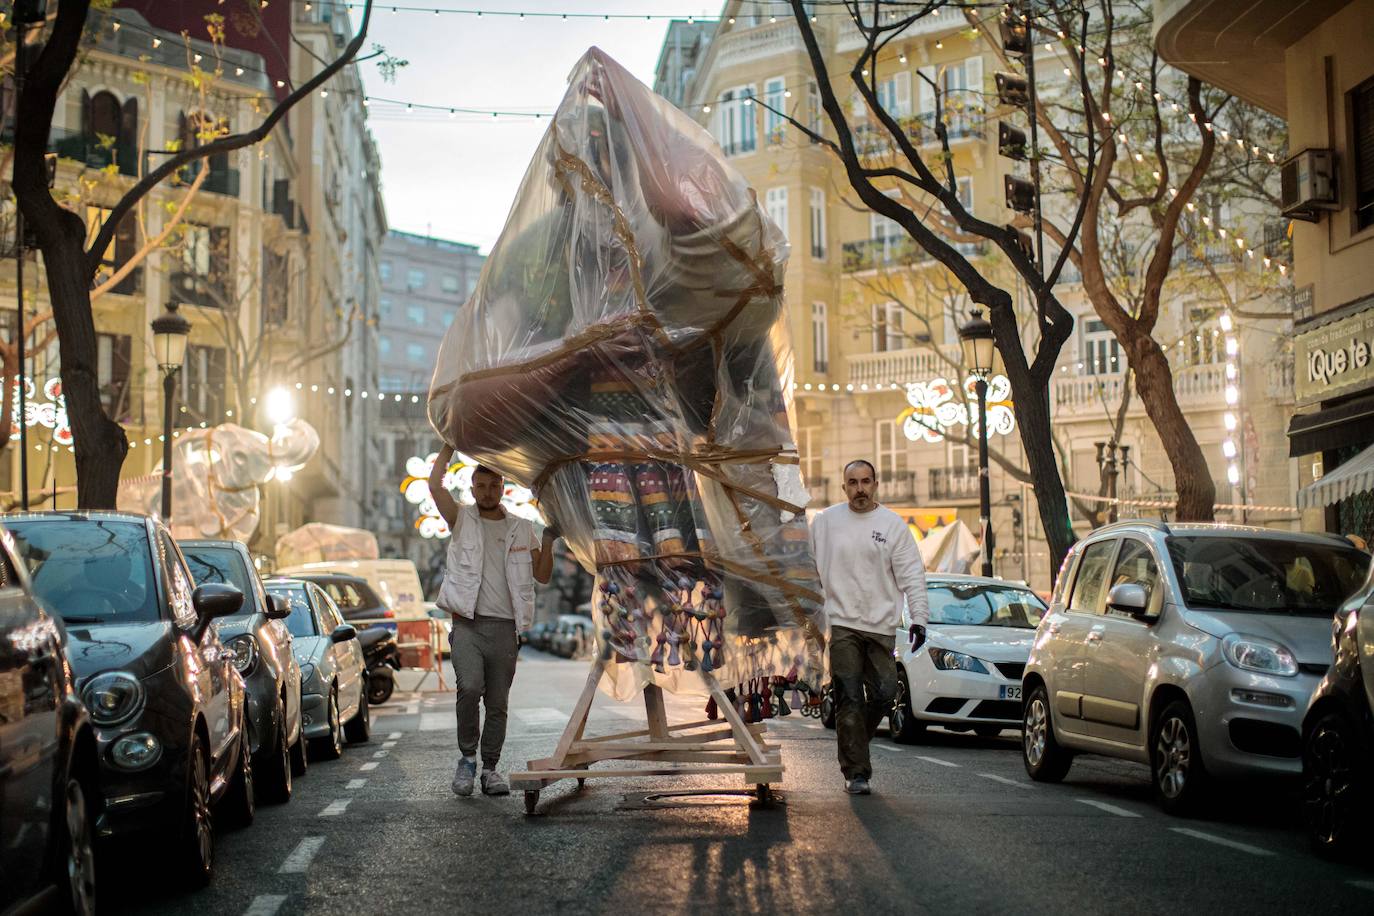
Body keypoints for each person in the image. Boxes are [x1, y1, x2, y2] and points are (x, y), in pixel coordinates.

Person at [428, 444, 556, 797]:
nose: (488, 492)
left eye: (494, 485)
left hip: (504, 628)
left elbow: (542, 575)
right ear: (472, 490)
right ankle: (467, 760)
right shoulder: (461, 519)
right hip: (467, 625)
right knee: (469, 688)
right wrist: (448, 445)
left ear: (503, 488)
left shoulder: (521, 528)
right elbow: (435, 486)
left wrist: (549, 539)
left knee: (497, 703)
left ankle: (489, 769)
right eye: (481, 486)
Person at [811, 459, 930, 795]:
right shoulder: (825, 523)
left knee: (885, 692)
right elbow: (809, 571)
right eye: (853, 482)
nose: (859, 488)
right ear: (844, 485)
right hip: (842, 622)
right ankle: (857, 772)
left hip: (881, 625)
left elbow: (912, 576)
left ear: (875, 484)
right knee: (849, 696)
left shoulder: (892, 525)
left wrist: (919, 618)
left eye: (865, 482)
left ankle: (853, 742)